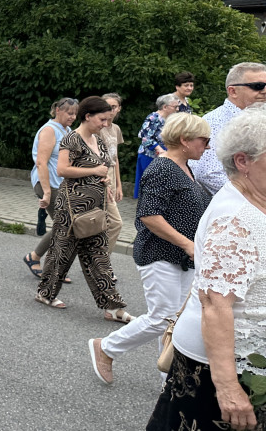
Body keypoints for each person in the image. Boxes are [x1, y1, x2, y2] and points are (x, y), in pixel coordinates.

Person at [113, 107, 266, 431]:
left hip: (247, 363)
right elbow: (217, 305)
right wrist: (229, 387)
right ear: (244, 161)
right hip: (219, 371)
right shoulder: (237, 217)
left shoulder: (256, 202)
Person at [88, 112, 213, 384]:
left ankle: (167, 380)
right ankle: (107, 347)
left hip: (182, 258)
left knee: (175, 321)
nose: (209, 146)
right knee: (163, 318)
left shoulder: (184, 167)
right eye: (204, 140)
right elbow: (149, 215)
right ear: (184, 139)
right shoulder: (162, 168)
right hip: (160, 254)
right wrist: (188, 244)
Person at [36, 96, 131, 320]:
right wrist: (95, 172)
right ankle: (45, 293)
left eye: (108, 120)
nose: (105, 124)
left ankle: (113, 307)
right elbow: (61, 170)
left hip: (95, 208)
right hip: (72, 208)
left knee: (99, 256)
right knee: (60, 253)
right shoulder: (71, 139)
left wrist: (105, 181)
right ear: (87, 116)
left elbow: (103, 168)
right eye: (102, 119)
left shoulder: (97, 141)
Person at [191, 61, 266, 194]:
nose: (264, 91)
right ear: (233, 91)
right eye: (258, 86)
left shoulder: (260, 117)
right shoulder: (212, 122)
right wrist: (253, 196)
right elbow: (207, 173)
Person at [24, 98, 78, 280]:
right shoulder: (49, 130)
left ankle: (47, 263)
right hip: (48, 183)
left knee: (66, 226)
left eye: (75, 113)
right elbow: (41, 162)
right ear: (57, 110)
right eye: (69, 113)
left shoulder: (67, 131)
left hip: (62, 184)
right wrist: (46, 191)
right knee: (65, 225)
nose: (73, 117)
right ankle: (37, 258)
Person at [133, 93, 181, 197]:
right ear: (165, 107)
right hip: (149, 156)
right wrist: (160, 149)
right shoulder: (153, 118)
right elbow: (144, 137)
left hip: (161, 156)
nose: (177, 109)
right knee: (149, 185)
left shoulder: (168, 119)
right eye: (175, 107)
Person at [100, 93, 126, 265]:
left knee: (104, 223)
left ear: (119, 109)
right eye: (107, 106)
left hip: (111, 176)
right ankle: (101, 262)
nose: (111, 110)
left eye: (114, 107)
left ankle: (99, 261)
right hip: (99, 178)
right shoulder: (97, 128)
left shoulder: (115, 129)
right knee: (115, 223)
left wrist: (119, 185)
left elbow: (114, 157)